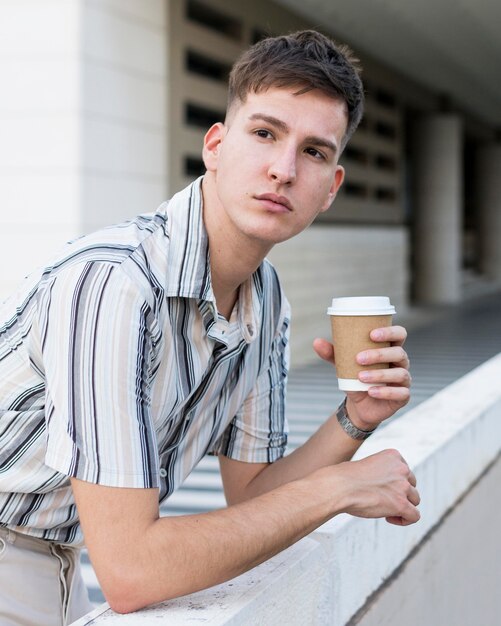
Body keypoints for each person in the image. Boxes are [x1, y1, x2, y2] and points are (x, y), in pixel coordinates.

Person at [0, 29, 419, 624]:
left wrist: (356, 418)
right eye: (265, 133)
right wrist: (340, 489)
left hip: (57, 562)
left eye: (314, 152)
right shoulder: (115, 284)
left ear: (332, 188)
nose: (283, 169)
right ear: (216, 145)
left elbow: (253, 497)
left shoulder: (265, 299)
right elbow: (131, 570)